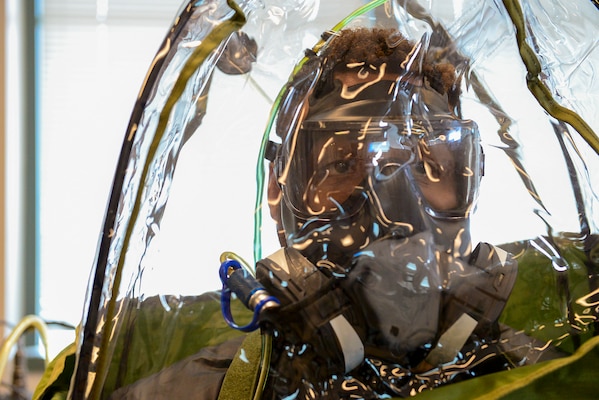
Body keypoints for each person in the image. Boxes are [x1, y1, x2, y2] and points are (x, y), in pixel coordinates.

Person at [107, 27, 553, 400]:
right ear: (280, 192)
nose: (399, 209)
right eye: (342, 164)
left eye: (427, 165)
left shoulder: (548, 380)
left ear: (468, 180)